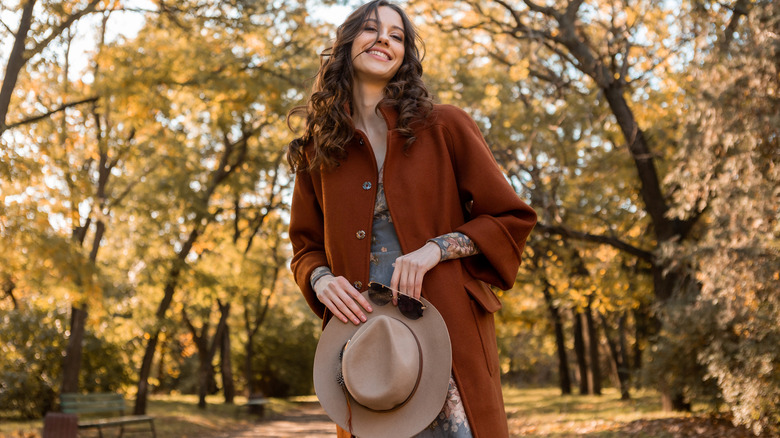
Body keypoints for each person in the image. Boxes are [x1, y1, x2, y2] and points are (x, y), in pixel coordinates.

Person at [286, 1, 537, 436]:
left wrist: (435, 250)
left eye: (397, 35)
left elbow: (511, 216)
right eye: (371, 29)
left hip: (449, 331)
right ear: (347, 45)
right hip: (364, 343)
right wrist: (321, 280)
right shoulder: (317, 150)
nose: (384, 38)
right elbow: (304, 248)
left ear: (404, 56)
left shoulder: (446, 125)